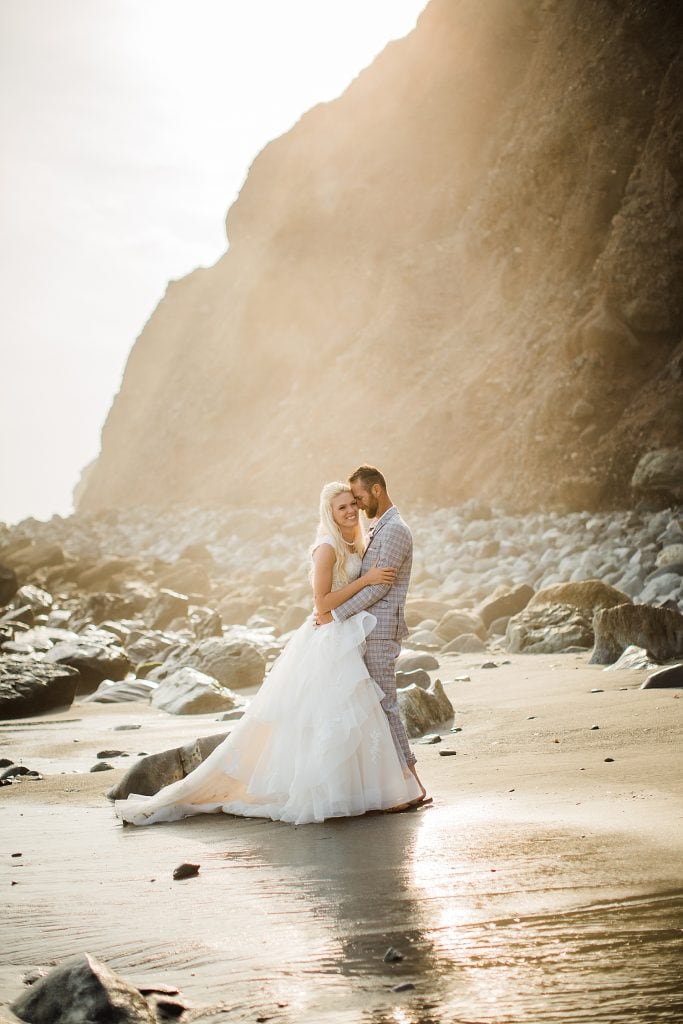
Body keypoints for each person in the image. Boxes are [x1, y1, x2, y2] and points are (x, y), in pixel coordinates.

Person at [114, 480, 424, 827]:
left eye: (353, 503)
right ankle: (336, 791)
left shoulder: (357, 540)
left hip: (343, 636)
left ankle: (368, 790)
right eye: (343, 507)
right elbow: (321, 604)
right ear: (329, 514)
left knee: (353, 714)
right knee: (328, 715)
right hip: (327, 636)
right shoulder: (326, 548)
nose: (352, 510)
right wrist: (365, 582)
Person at [315, 465, 428, 804]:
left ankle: (412, 785)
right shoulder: (378, 529)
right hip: (367, 629)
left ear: (376, 490)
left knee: (385, 706)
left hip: (378, 629)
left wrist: (334, 615)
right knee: (373, 706)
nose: (358, 507)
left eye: (360, 498)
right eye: (349, 503)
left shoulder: (393, 530)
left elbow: (381, 587)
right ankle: (396, 786)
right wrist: (333, 615)